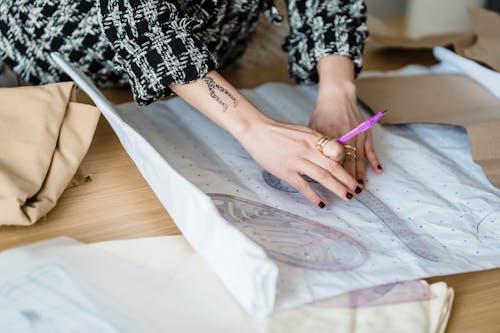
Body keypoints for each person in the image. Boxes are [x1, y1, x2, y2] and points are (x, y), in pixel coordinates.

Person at [0, 0, 382, 208]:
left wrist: (338, 92)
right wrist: (253, 129)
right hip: (67, 55)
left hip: (216, 45)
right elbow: (139, 16)